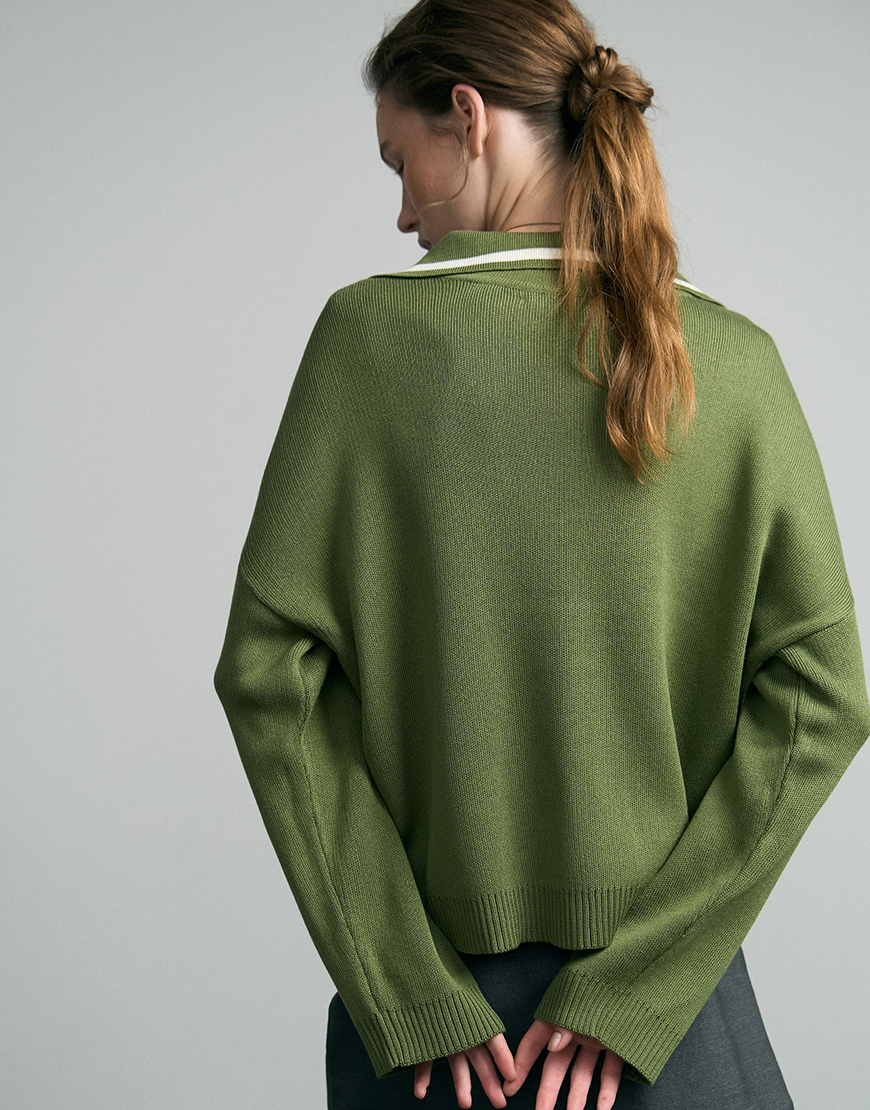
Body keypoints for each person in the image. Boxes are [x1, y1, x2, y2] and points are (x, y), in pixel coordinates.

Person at [212, 1, 870, 1108]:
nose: (401, 212)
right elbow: (825, 697)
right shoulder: (733, 360)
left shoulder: (367, 345)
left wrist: (404, 985)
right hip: (670, 1031)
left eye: (400, 162)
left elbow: (266, 680)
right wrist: (643, 987)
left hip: (441, 1040)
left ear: (468, 118)